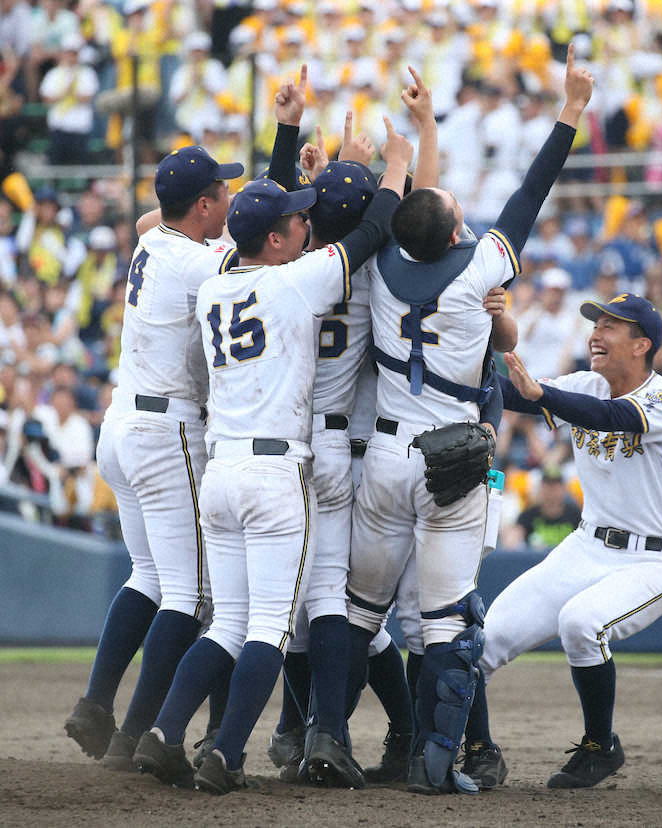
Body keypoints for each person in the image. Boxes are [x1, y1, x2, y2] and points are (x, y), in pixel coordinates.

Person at [130, 120, 413, 795]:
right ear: (277, 240)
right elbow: (370, 232)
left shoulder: (218, 284)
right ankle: (225, 752)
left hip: (220, 468)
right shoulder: (296, 283)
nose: (301, 225)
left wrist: (306, 175)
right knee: (268, 626)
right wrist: (393, 166)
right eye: (290, 221)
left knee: (225, 620)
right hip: (277, 472)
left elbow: (251, 232)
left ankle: (166, 732)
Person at [340, 45, 593, 796]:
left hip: (383, 456)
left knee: (359, 613)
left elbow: (420, 207)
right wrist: (570, 111)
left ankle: (317, 731)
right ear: (456, 235)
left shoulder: (383, 258)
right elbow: (527, 195)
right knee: (449, 620)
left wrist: (418, 137)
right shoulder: (479, 266)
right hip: (453, 457)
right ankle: (442, 757)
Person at [64, 145, 244, 769]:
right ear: (202, 205)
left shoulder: (152, 241)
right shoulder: (203, 261)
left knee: (147, 574)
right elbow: (257, 248)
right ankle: (134, 736)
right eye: (222, 191)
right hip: (166, 430)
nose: (231, 200)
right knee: (191, 595)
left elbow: (149, 221)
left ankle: (95, 703)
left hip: (120, 422)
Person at [465, 293, 662, 790]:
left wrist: (542, 395)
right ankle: (480, 752)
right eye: (595, 323)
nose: (596, 333)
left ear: (642, 344)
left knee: (581, 624)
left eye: (611, 325)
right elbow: (518, 393)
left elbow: (611, 418)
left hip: (649, 560)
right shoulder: (584, 383)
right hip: (586, 546)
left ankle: (599, 745)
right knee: (477, 644)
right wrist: (456, 364)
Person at [512, 466, 582, 551]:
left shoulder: (575, 514)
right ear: (541, 487)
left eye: (556, 486)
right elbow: (513, 541)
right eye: (548, 485)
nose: (552, 491)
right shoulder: (528, 515)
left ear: (563, 489)